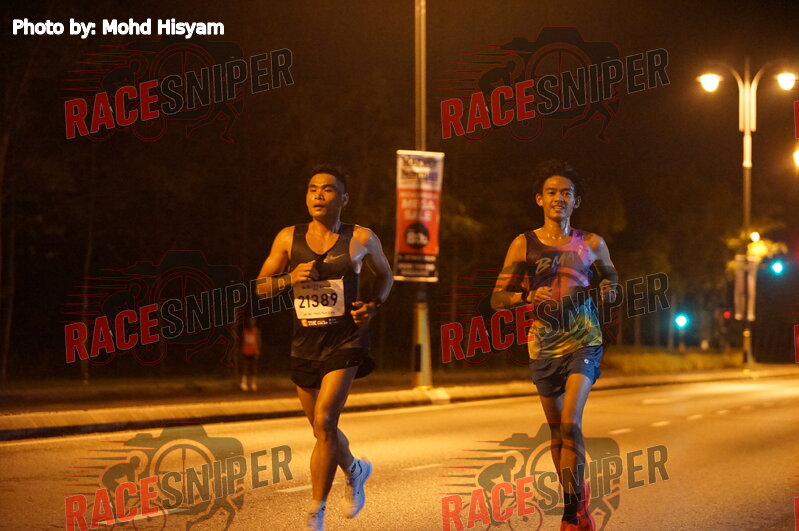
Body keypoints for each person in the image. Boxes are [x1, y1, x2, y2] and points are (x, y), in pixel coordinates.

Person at [256, 164, 393, 531]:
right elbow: (260, 287)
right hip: (304, 343)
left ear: (344, 198)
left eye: (328, 189)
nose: (318, 194)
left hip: (346, 339)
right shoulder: (288, 238)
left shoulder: (361, 238)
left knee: (326, 419)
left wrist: (374, 305)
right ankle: (355, 469)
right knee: (322, 431)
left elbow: (386, 275)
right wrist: (289, 278)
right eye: (312, 188)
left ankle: (316, 512)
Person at [491, 159, 617, 531]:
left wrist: (608, 289)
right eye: (551, 192)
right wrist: (525, 297)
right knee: (557, 432)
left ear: (576, 201)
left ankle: (571, 515)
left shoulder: (592, 244)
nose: (558, 198)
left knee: (570, 423)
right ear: (539, 199)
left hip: (584, 341)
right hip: (543, 347)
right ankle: (576, 499)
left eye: (566, 193)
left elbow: (612, 280)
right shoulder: (523, 244)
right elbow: (497, 297)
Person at [240, 317, 262, 392]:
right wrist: (241, 350)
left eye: (252, 322)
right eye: (250, 322)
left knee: (254, 369)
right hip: (245, 352)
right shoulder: (245, 331)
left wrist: (258, 350)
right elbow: (242, 341)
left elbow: (258, 341)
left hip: (253, 352)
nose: (251, 324)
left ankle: (253, 384)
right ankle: (244, 383)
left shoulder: (256, 331)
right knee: (245, 368)